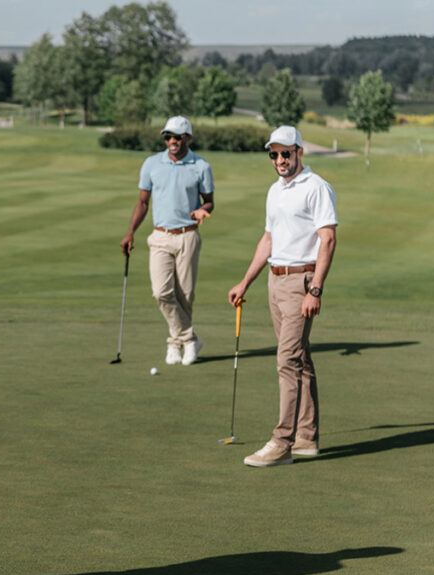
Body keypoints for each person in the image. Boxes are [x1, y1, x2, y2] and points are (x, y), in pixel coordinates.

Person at [228, 125, 338, 467]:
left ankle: (281, 442)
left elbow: (328, 239)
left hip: (301, 282)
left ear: (299, 152)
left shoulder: (317, 187)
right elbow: (268, 240)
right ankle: (306, 437)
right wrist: (245, 282)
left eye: (285, 153)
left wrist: (315, 289)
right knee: (300, 358)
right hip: (275, 282)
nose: (279, 160)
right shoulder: (274, 191)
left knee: (287, 360)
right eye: (273, 154)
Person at [120, 116, 214, 366]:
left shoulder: (201, 166)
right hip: (160, 236)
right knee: (161, 292)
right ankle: (189, 339)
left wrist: (203, 210)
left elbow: (209, 201)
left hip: (188, 235)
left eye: (177, 137)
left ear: (188, 139)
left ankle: (175, 344)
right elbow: (142, 202)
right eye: (168, 137)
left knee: (185, 296)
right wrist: (130, 232)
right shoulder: (152, 164)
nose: (172, 141)